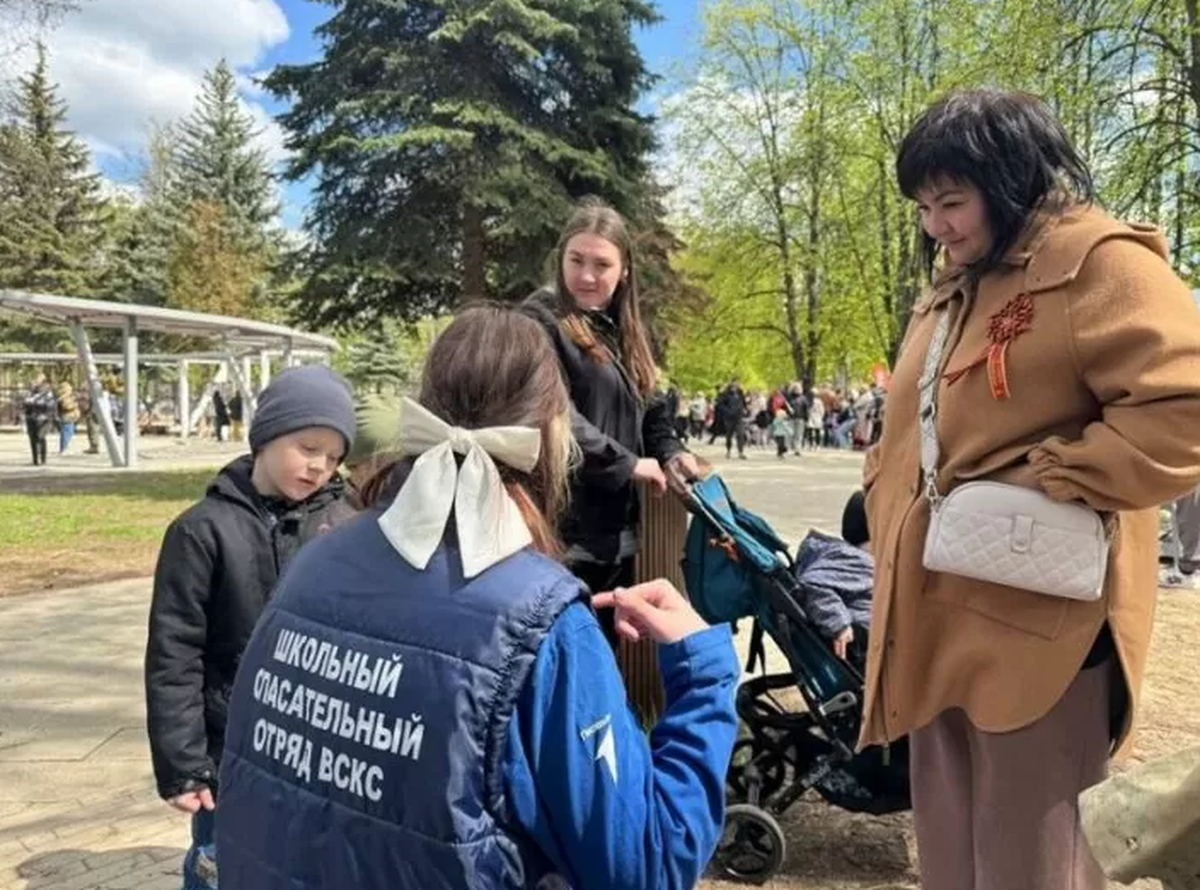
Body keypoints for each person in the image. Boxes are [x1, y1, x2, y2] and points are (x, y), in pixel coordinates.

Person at [213, 305, 740, 890]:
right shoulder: (540, 620)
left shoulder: (316, 559)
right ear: (554, 432)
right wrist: (703, 674)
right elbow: (647, 866)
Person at [862, 88, 1200, 890]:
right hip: (935, 609)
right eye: (923, 206)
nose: (935, 225)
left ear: (1012, 178)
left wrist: (1062, 475)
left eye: (951, 201)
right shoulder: (957, 280)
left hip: (1038, 623)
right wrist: (880, 491)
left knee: (1033, 858)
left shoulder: (1098, 263)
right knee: (951, 851)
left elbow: (1185, 405)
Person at [144, 365, 358, 890]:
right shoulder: (201, 531)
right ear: (265, 436)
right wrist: (184, 765)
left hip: (320, 748)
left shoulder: (348, 524)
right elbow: (174, 654)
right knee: (221, 864)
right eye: (308, 447)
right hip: (230, 754)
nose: (319, 467)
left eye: (333, 458)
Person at [522, 199, 701, 647]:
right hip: (562, 532)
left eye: (601, 264)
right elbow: (554, 416)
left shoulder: (625, 328)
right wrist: (629, 464)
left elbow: (654, 413)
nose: (586, 276)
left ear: (623, 271)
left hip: (616, 537)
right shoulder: (539, 321)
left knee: (603, 655)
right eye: (576, 260)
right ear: (560, 257)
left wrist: (671, 452)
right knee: (560, 656)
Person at [793, 490, 873, 665]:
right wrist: (839, 625)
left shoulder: (851, 557)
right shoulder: (859, 561)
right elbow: (813, 583)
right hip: (865, 648)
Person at [22, 375, 57, 466]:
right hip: (31, 418)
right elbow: (24, 403)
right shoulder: (31, 392)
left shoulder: (48, 393)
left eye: (38, 380)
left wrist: (45, 415)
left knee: (40, 437)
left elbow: (51, 406)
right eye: (35, 380)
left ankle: (43, 459)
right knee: (32, 439)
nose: (36, 382)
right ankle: (35, 460)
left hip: (43, 419)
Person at [715, 378, 748, 459]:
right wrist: (728, 411)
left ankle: (741, 452)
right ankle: (728, 451)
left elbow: (743, 403)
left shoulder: (740, 393)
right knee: (729, 435)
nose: (737, 384)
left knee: (740, 434)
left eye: (738, 382)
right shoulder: (725, 394)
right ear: (732, 383)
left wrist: (745, 409)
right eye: (735, 382)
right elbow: (720, 405)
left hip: (739, 417)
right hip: (729, 418)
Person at [56, 381, 80, 453]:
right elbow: (66, 407)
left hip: (70, 417)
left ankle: (64, 447)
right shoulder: (63, 397)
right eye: (69, 388)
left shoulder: (68, 396)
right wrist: (75, 405)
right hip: (67, 417)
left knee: (69, 432)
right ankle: (64, 448)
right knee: (66, 432)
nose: (71, 389)